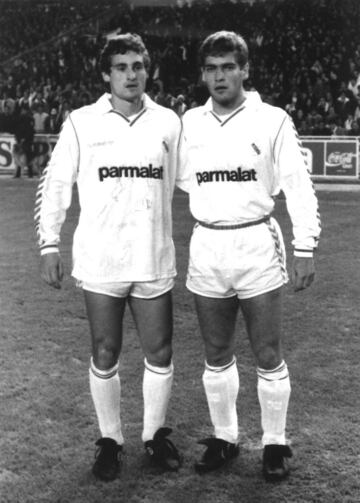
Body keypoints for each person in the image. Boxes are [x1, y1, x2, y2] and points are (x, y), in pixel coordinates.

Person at [34, 33, 182, 482]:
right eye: (121, 67)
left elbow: (189, 179)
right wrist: (49, 243)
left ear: (147, 70)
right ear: (106, 74)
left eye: (137, 65)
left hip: (153, 255)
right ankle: (110, 440)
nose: (131, 74)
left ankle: (155, 435)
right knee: (104, 350)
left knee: (159, 351)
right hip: (101, 257)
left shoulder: (169, 122)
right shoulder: (82, 121)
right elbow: (56, 183)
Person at [177, 31, 321, 481]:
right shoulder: (190, 123)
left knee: (267, 351)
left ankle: (275, 443)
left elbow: (298, 186)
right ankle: (225, 436)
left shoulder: (273, 119)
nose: (219, 77)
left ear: (244, 69)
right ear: (202, 74)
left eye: (227, 67)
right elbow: (181, 181)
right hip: (208, 245)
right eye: (211, 69)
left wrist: (305, 247)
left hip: (257, 242)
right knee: (216, 351)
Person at [12, 104, 34, 178]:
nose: (23, 111)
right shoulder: (19, 118)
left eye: (24, 110)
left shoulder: (30, 119)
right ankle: (18, 174)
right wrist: (18, 138)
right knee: (18, 158)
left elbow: (31, 131)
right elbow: (16, 129)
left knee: (28, 156)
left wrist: (25, 138)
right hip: (20, 141)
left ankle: (30, 173)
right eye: (22, 110)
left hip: (27, 141)